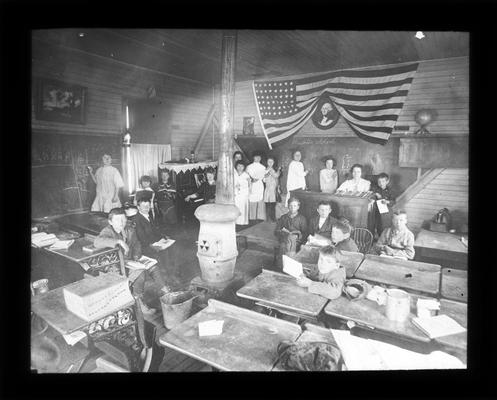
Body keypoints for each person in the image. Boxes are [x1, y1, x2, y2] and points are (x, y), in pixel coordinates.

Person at [94, 208, 169, 314]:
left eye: (123, 219)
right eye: (117, 220)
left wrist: (136, 256)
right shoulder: (107, 231)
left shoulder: (129, 229)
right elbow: (97, 242)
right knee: (140, 273)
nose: (121, 223)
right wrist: (119, 241)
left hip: (131, 260)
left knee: (154, 267)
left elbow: (136, 244)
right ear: (110, 222)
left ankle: (166, 292)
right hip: (116, 265)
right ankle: (139, 302)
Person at [274, 197, 308, 264]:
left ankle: (290, 265)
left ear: (298, 207)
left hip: (296, 241)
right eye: (290, 206)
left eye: (295, 206)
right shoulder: (283, 217)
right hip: (285, 239)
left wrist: (298, 236)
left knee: (292, 245)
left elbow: (305, 233)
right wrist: (283, 233)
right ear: (288, 206)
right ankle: (282, 265)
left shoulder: (302, 219)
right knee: (284, 245)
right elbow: (276, 231)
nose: (292, 208)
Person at [370, 172, 396, 238]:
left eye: (383, 181)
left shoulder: (390, 190)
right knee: (377, 226)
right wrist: (374, 195)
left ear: (387, 181)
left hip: (386, 213)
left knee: (385, 228)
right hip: (377, 212)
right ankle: (378, 240)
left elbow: (393, 201)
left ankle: (385, 240)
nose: (381, 183)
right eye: (379, 181)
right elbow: (371, 196)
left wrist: (387, 201)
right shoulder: (375, 189)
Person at [246, 152, 266, 221]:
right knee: (252, 201)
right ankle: (252, 218)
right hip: (252, 185)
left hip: (260, 186)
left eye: (259, 157)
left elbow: (264, 179)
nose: (257, 158)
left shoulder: (263, 167)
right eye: (256, 157)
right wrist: (251, 179)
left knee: (260, 201)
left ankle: (260, 218)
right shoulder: (249, 167)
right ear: (253, 158)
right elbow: (246, 176)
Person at [263, 156, 281, 222]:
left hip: (272, 189)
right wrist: (279, 170)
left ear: (274, 163)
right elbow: (276, 176)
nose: (270, 163)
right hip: (270, 189)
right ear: (267, 162)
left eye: (272, 162)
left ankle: (269, 218)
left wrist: (278, 188)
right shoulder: (270, 169)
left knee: (270, 204)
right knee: (271, 205)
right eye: (269, 162)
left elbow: (276, 180)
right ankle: (271, 218)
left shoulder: (269, 169)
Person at [234, 161, 251, 226]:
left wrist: (242, 187)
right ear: (236, 166)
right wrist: (235, 186)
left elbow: (249, 184)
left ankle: (243, 221)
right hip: (236, 193)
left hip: (244, 193)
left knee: (243, 207)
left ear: (244, 167)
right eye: (238, 166)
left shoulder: (246, 175)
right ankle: (236, 221)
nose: (240, 167)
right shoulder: (234, 175)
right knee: (236, 207)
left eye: (242, 166)